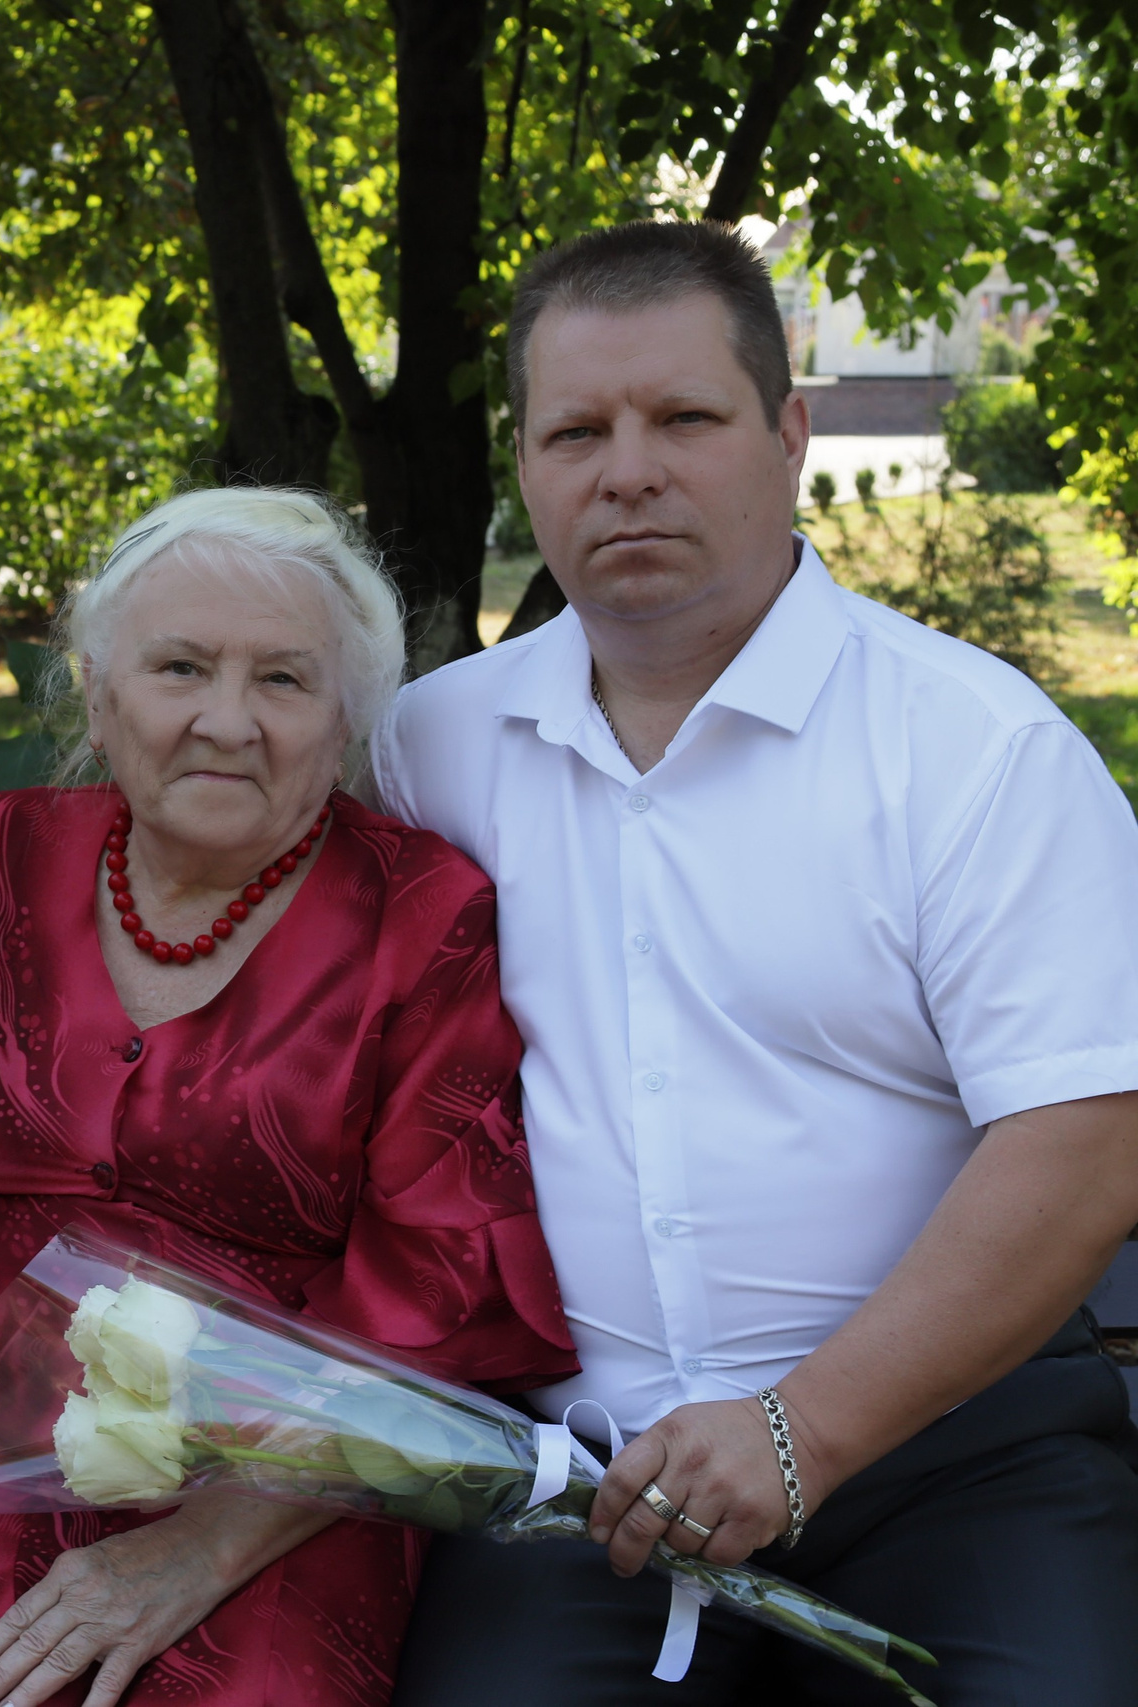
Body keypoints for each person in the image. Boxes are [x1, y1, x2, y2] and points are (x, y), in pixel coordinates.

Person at [377, 221, 1138, 1706]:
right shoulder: (428, 751)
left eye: (686, 418)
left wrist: (801, 1428)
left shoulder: (972, 748)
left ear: (789, 435)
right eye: (578, 430)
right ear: (527, 466)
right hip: (572, 1487)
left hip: (958, 1454)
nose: (629, 470)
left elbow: (1086, 1136)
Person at [0, 486, 578, 1707]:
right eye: (180, 668)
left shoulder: (423, 919)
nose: (226, 722)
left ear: (347, 715)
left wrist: (202, 1544)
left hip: (290, 1489)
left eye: (283, 682)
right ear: (96, 694)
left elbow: (442, 1293)